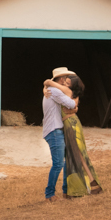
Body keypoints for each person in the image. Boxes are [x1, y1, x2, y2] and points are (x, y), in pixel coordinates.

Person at [44, 71, 103, 197]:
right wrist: (46, 86)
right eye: (64, 79)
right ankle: (77, 187)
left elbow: (71, 103)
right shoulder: (60, 91)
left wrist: (48, 83)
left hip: (71, 125)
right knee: (73, 156)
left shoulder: (65, 91)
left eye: (68, 81)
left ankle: (92, 183)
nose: (65, 81)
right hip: (67, 125)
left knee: (78, 155)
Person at [42, 67, 77, 202]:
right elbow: (70, 103)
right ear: (62, 79)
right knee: (58, 164)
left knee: (64, 162)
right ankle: (49, 194)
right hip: (54, 130)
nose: (68, 81)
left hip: (56, 130)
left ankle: (66, 191)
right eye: (66, 79)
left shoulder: (52, 90)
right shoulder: (55, 91)